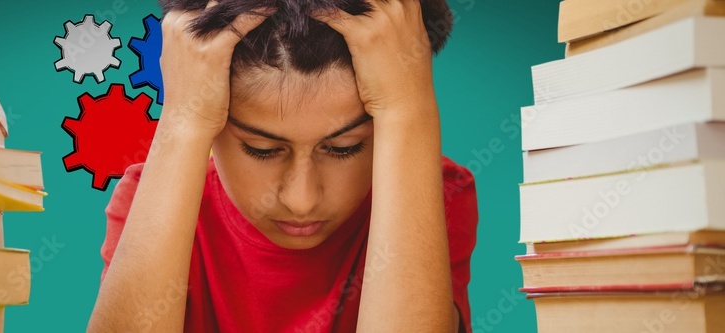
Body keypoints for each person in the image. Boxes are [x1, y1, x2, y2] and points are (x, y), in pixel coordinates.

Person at [90, 0, 478, 331]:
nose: (301, 200)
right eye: (261, 149)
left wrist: (408, 107)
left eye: (344, 148)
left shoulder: (438, 191)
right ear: (213, 127)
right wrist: (182, 118)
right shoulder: (148, 197)